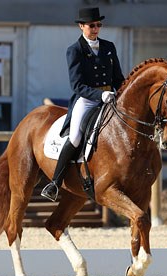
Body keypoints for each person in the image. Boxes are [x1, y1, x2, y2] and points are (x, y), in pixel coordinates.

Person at [41, 7, 125, 201]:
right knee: (77, 137)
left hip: (110, 97)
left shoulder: (109, 47)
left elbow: (118, 78)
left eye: (99, 25)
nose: (96, 29)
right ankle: (55, 182)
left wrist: (120, 93)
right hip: (86, 99)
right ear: (81, 27)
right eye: (92, 25)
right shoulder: (75, 50)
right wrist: (99, 95)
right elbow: (76, 85)